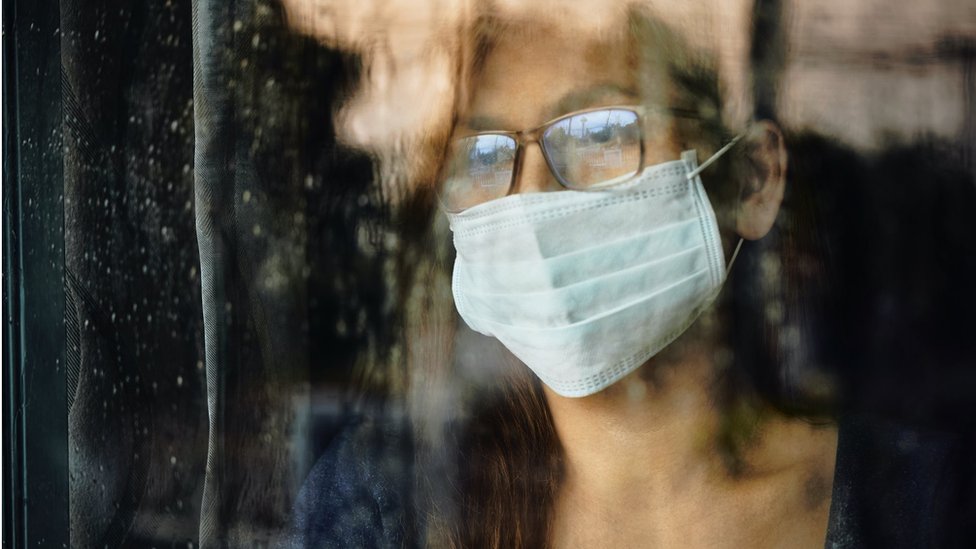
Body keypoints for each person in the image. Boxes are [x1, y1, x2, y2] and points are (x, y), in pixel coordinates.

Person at [281, 3, 976, 548]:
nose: (529, 199)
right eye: (484, 155)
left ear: (752, 180)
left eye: (599, 133)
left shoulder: (923, 507)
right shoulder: (384, 498)